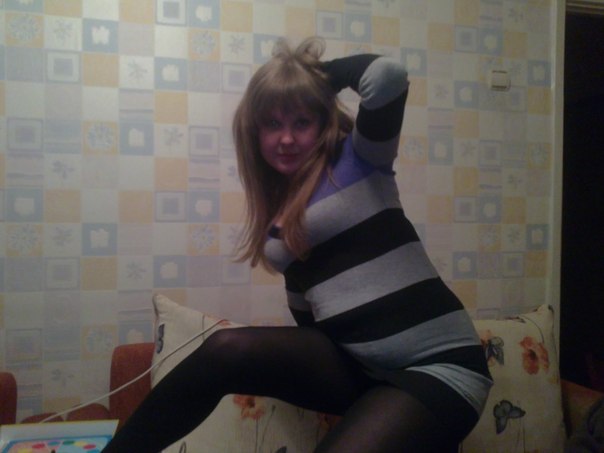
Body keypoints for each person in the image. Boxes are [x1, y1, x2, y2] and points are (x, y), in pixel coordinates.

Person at [104, 37, 493, 453]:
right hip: (360, 368)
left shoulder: (360, 159)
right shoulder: (277, 213)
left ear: (322, 123)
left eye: (301, 122)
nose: (286, 138)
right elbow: (308, 307)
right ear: (254, 133)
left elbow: (388, 77)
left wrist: (314, 78)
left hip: (438, 367)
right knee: (224, 349)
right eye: (272, 124)